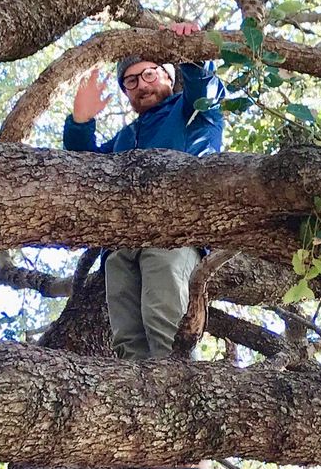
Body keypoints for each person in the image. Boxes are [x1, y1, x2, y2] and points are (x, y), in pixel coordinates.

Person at [63, 21, 225, 361]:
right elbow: (83, 169)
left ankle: (183, 400)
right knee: (128, 343)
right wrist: (80, 123)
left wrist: (191, 52)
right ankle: (139, 409)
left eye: (148, 74)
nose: (140, 86)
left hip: (172, 233)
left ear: (168, 75)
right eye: (130, 81)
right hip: (120, 246)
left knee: (164, 323)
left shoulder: (193, 112)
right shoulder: (125, 138)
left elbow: (205, 89)